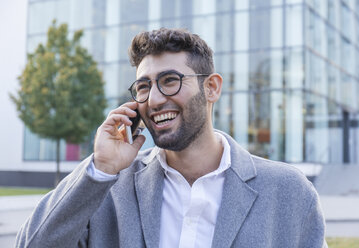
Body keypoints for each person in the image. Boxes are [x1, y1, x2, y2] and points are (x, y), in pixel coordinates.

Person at [16, 28, 327, 248]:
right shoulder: (108, 188)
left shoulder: (289, 192)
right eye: (143, 87)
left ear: (212, 88)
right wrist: (100, 169)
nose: (153, 99)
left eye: (170, 81)